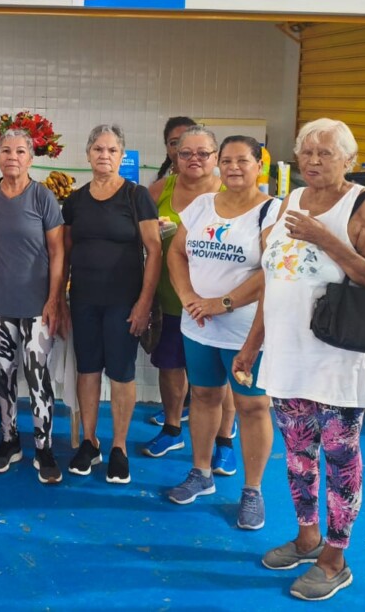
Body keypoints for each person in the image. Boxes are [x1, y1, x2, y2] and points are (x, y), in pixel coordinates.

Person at [234, 118, 365, 602]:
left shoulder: (363, 205)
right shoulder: (291, 201)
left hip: (339, 359)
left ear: (349, 159)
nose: (313, 160)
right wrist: (252, 344)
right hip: (288, 355)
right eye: (306, 152)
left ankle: (335, 556)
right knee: (298, 454)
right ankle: (307, 536)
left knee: (340, 457)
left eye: (325, 153)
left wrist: (325, 238)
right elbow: (275, 280)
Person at [165, 134, 279, 530]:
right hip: (198, 327)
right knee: (203, 396)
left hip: (247, 331)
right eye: (226, 160)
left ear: (259, 166)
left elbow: (272, 270)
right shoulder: (201, 206)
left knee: (252, 406)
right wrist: (187, 296)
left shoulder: (271, 212)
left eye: (242, 160)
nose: (232, 167)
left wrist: (223, 303)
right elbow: (176, 252)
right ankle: (201, 472)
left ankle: (252, 490)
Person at [61, 124, 161, 486]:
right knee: (87, 370)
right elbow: (65, 253)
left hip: (124, 302)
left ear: (122, 156)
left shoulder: (136, 195)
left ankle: (119, 447)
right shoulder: (75, 200)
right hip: (84, 300)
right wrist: (59, 299)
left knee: (121, 373)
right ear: (88, 154)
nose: (104, 155)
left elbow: (154, 250)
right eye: (98, 149)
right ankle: (90, 442)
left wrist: (144, 302)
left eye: (112, 150)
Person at [0, 128, 65, 485]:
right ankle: (9, 441)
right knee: (4, 373)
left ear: (30, 157)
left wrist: (54, 298)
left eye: (20, 151)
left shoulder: (42, 196)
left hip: (38, 304)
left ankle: (44, 447)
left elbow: (58, 251)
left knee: (38, 375)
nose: (12, 157)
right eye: (5, 150)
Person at [145, 116, 237, 460]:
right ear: (175, 156)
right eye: (185, 153)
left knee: (221, 376)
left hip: (220, 304)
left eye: (202, 153)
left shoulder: (232, 193)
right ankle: (172, 429)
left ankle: (224, 441)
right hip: (171, 297)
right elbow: (137, 232)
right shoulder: (160, 190)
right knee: (170, 366)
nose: (193, 159)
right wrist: (151, 231)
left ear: (215, 157)